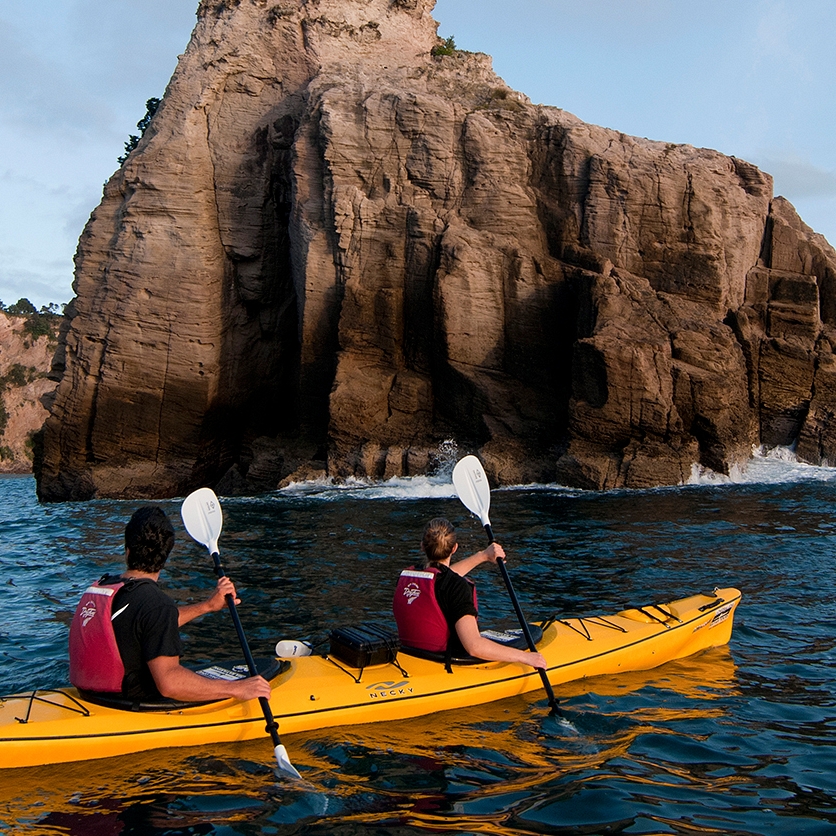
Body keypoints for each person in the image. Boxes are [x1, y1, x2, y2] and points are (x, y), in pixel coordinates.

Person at [69, 505, 271, 703]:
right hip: (128, 704)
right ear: (166, 555)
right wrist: (236, 688)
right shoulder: (155, 604)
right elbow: (170, 684)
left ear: (128, 550)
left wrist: (207, 606)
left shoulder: (105, 587)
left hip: (91, 697)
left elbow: (148, 625)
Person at [393, 517, 547, 669]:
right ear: (454, 548)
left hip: (411, 655)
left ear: (422, 546)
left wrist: (483, 556)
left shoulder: (410, 576)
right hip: (443, 662)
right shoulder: (457, 588)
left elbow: (443, 578)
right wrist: (526, 657)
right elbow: (474, 646)